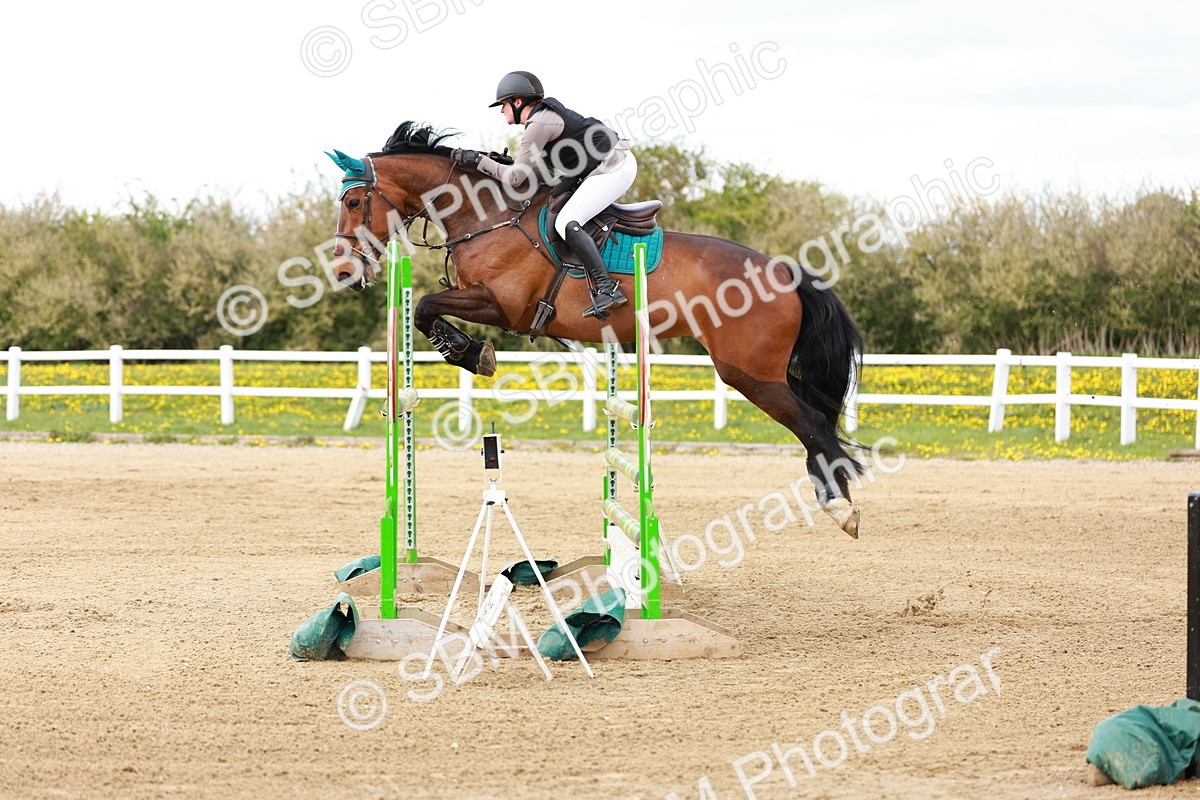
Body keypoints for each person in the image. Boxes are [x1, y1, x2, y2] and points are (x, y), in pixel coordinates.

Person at [451, 71, 636, 318]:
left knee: (568, 222)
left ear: (518, 102)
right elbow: (541, 175)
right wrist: (501, 163)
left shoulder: (538, 124)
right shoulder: (540, 120)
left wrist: (478, 161)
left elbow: (516, 177)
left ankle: (608, 288)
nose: (501, 111)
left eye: (504, 105)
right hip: (598, 168)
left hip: (614, 167)